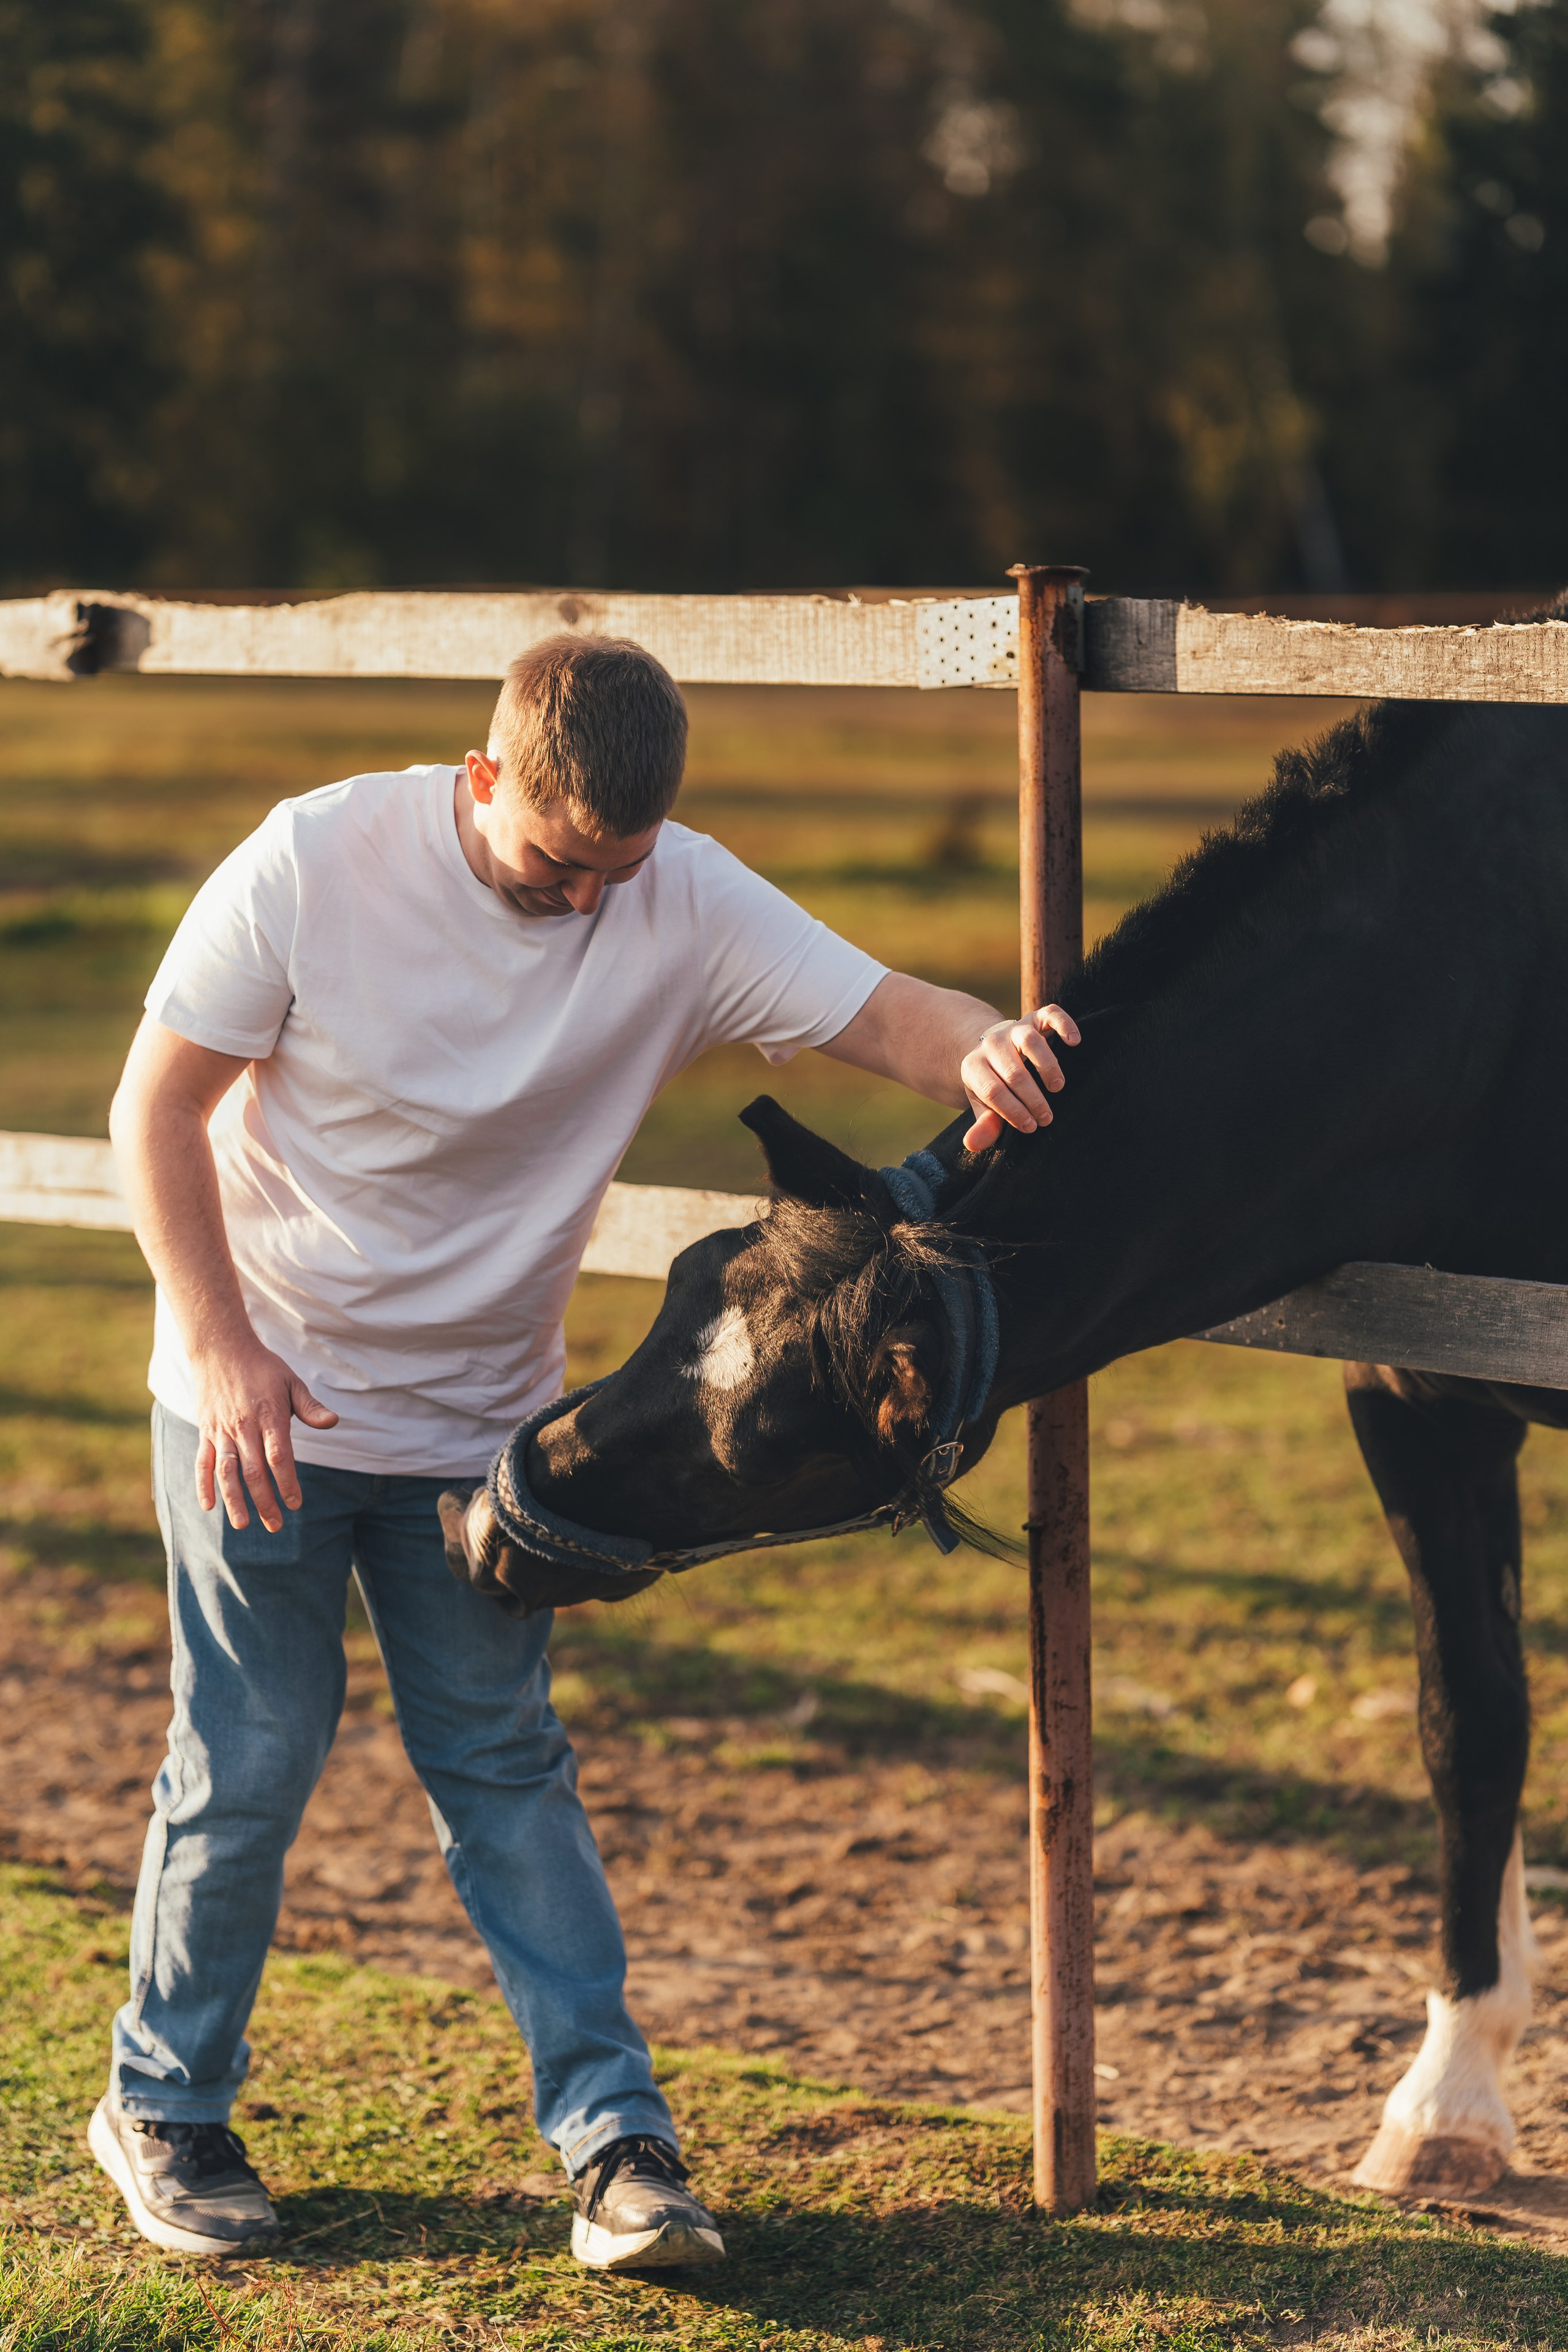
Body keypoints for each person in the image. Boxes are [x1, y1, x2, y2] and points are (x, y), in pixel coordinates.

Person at [96, 633, 1078, 2269]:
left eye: (612, 875)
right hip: (254, 1406)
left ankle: (619, 2148)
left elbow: (889, 1013)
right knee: (251, 1757)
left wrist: (979, 1044)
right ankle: (166, 2106)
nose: (583, 904)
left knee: (503, 1769)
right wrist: (219, 1344)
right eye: (558, 864)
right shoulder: (312, 860)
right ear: (486, 780)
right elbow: (154, 1109)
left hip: (477, 1435)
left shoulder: (673, 893)